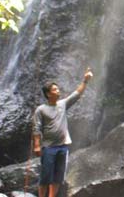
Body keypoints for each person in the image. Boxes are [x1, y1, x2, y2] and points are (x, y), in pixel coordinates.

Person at [32, 68, 94, 197]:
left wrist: (85, 80)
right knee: (45, 176)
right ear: (48, 94)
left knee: (58, 177)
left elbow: (77, 94)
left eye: (57, 89)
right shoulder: (41, 110)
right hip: (48, 147)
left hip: (63, 147)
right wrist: (37, 145)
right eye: (55, 89)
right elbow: (36, 128)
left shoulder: (63, 104)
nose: (58, 91)